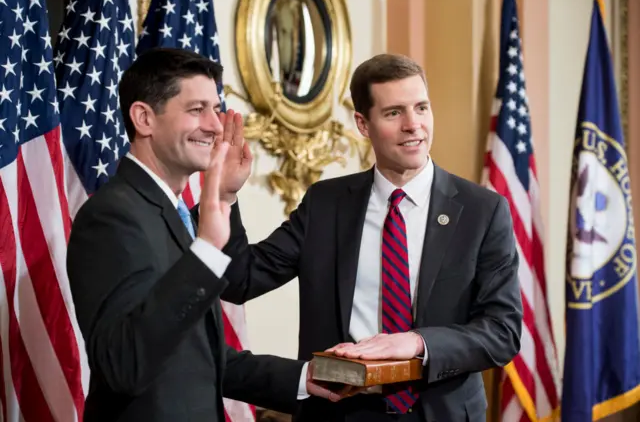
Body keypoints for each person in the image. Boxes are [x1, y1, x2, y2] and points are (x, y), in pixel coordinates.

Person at [219, 54, 523, 421]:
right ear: (363, 124)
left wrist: (417, 342)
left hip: (441, 413)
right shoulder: (326, 205)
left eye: (421, 107)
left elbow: (502, 331)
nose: (414, 125)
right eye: (394, 113)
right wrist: (224, 197)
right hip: (341, 411)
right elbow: (239, 279)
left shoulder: (482, 210)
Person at [66, 48, 346, 422]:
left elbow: (197, 356)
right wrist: (208, 250)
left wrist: (301, 377)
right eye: (196, 109)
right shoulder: (112, 216)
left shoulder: (171, 212)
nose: (215, 126)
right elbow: (124, 365)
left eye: (215, 109)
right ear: (144, 118)